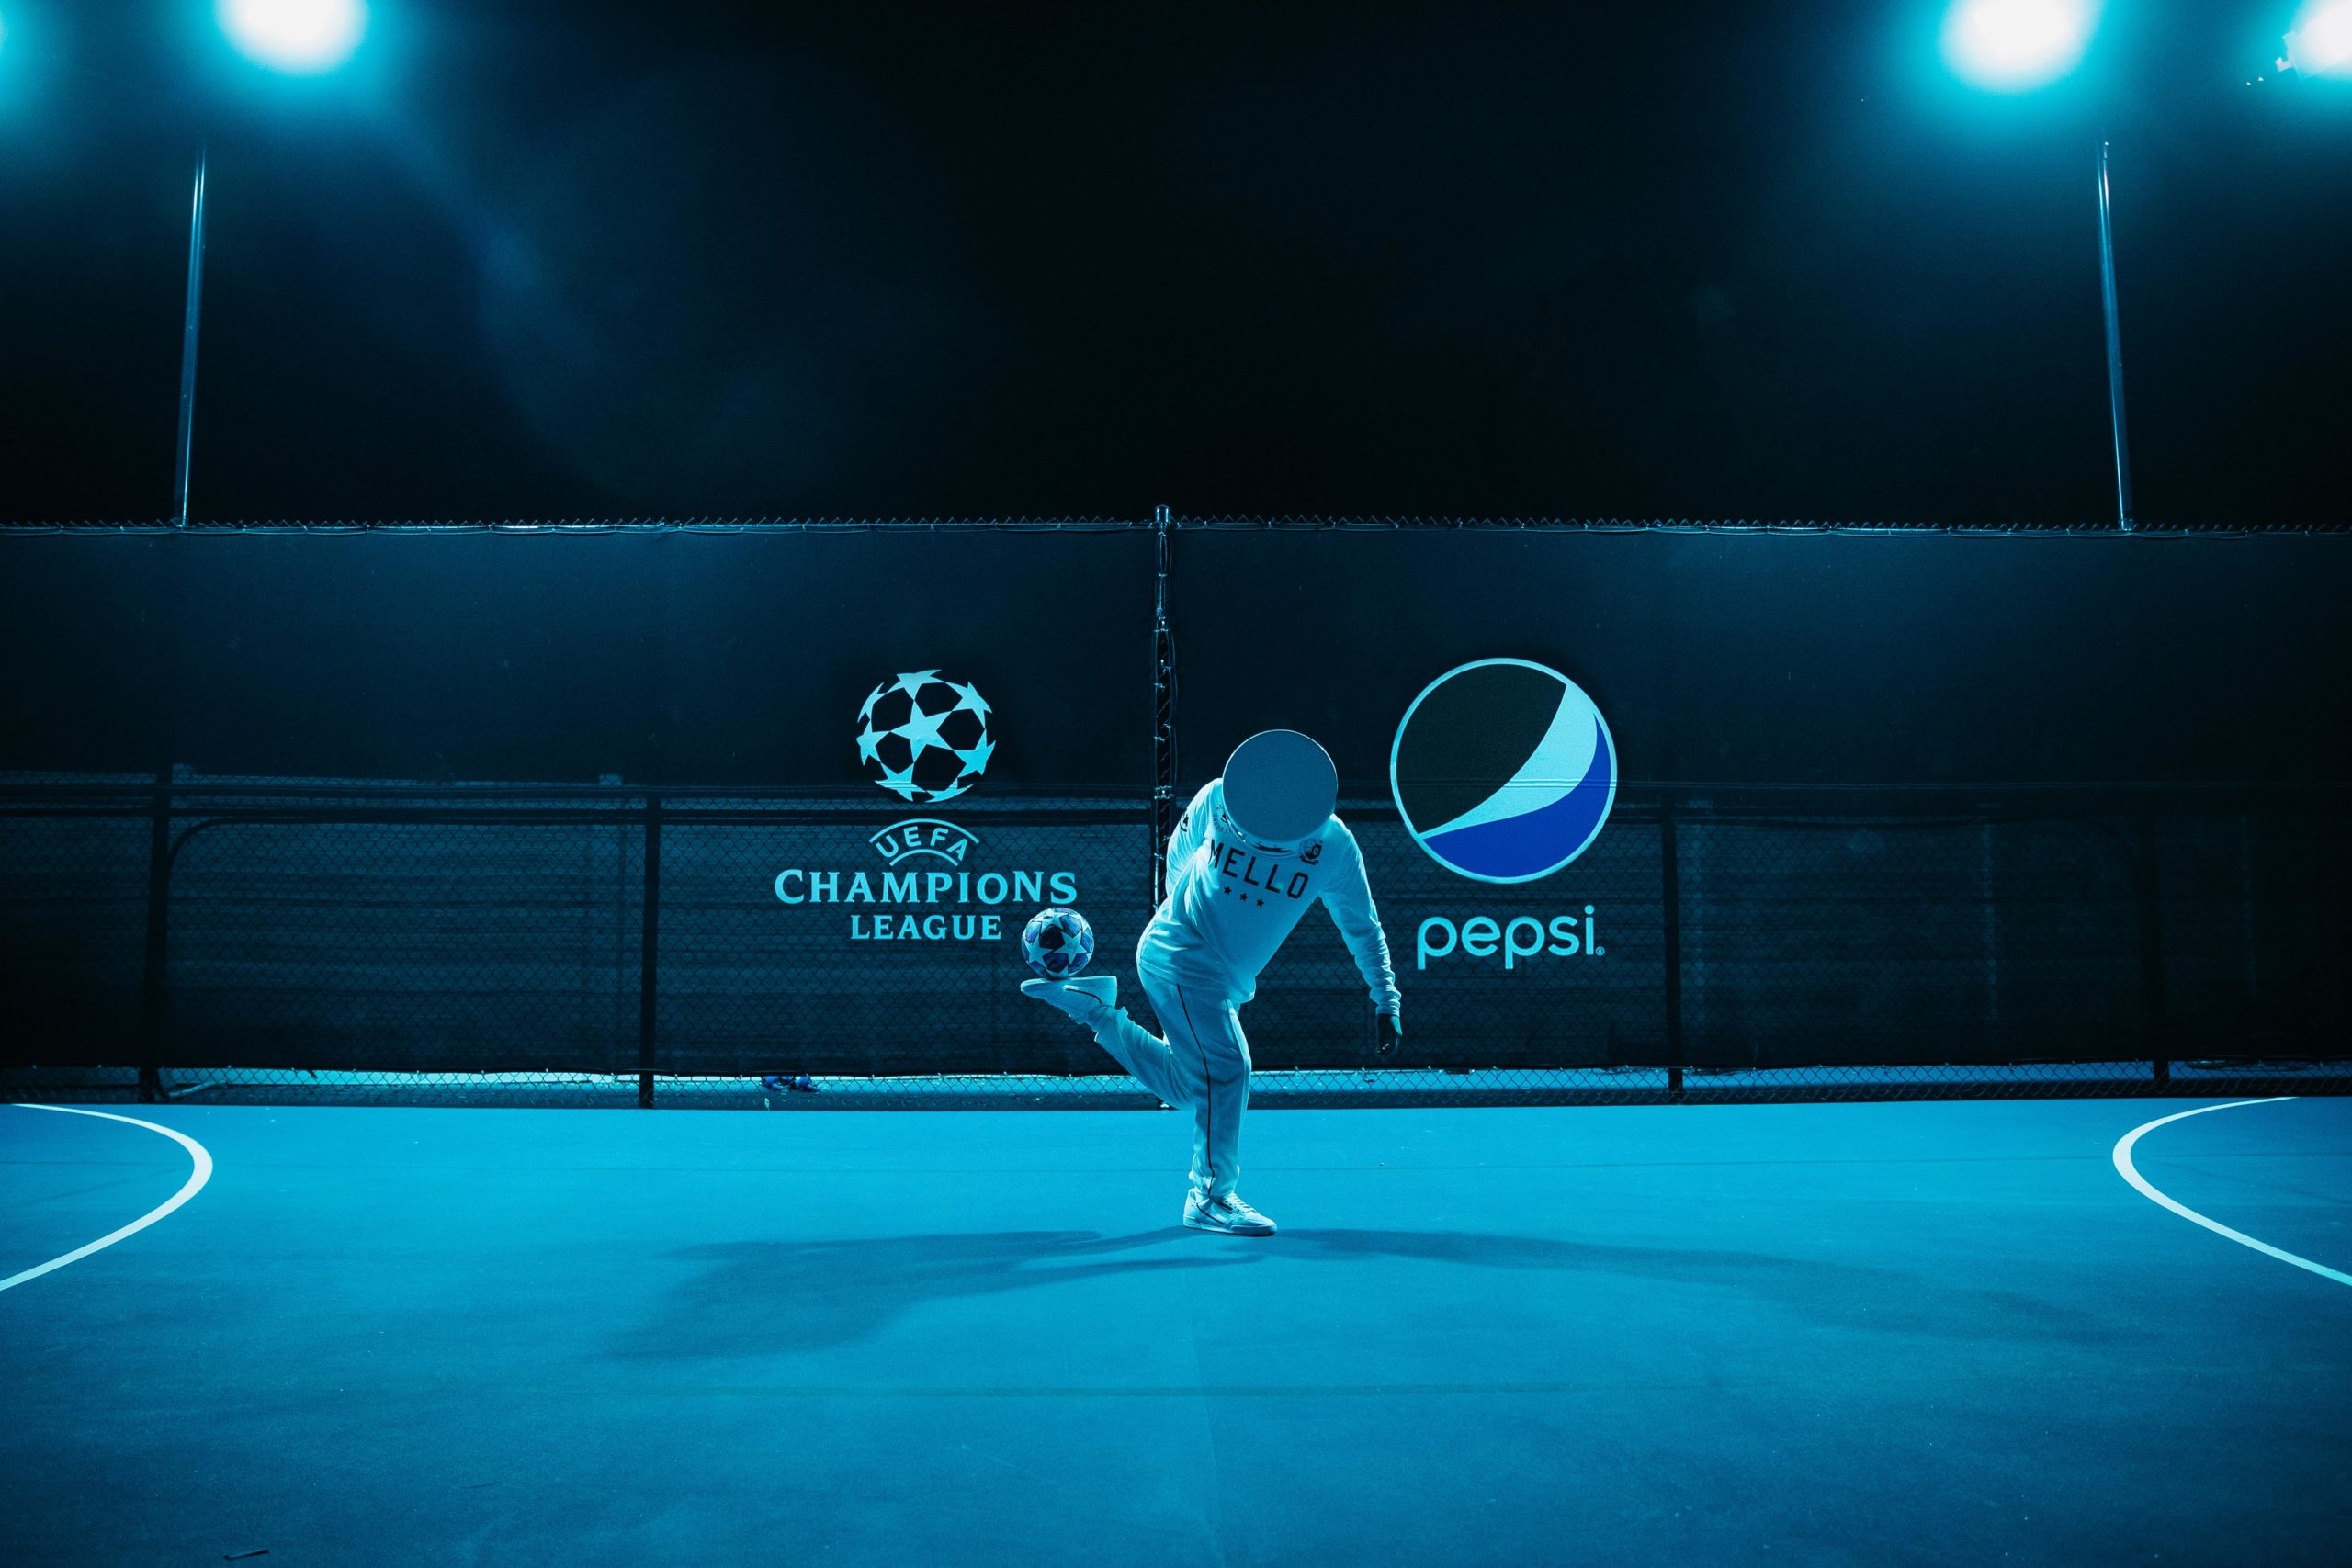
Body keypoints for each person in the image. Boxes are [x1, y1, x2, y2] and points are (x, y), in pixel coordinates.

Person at [1023, 730, 1403, 1235]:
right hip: (1179, 957)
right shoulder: (1218, 798)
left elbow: (1362, 926)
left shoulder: (1333, 848)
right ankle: (1209, 1197)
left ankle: (1095, 1010)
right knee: (1229, 1069)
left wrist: (1386, 998)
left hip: (1225, 979)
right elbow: (1177, 859)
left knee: (1191, 1087)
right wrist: (1179, 928)